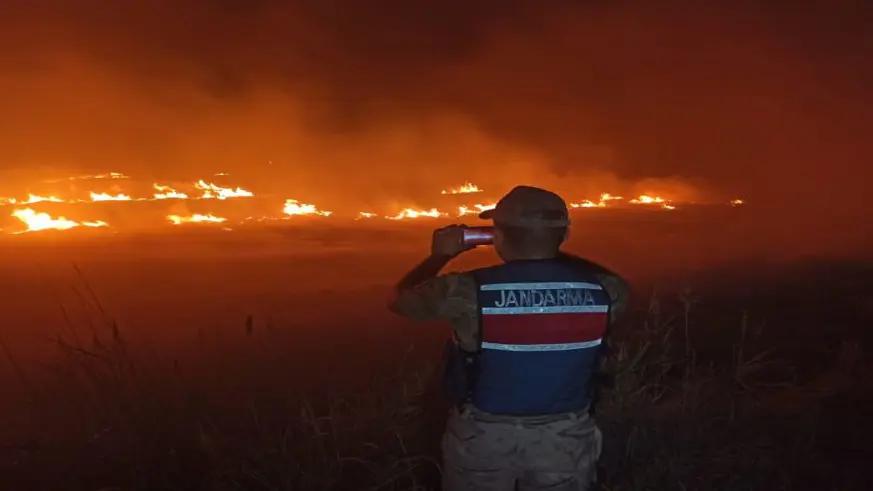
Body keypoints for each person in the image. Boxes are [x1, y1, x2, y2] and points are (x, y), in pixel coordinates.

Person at [388, 185, 629, 491]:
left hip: (484, 437)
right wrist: (550, 249)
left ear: (497, 237)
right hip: (566, 437)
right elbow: (612, 281)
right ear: (565, 236)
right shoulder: (607, 291)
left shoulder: (467, 290)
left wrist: (438, 257)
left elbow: (400, 300)